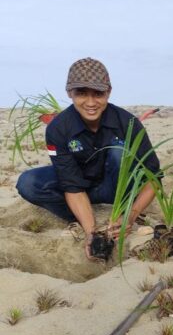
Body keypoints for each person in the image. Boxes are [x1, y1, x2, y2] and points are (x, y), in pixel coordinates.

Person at [16, 57, 161, 259]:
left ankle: (118, 215)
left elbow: (153, 178)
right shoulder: (58, 128)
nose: (91, 103)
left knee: (119, 152)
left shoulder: (128, 123)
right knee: (28, 183)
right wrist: (91, 232)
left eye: (98, 94)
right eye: (81, 93)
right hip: (81, 188)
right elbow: (71, 185)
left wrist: (131, 214)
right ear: (69, 93)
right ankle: (86, 216)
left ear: (108, 92)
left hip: (116, 191)